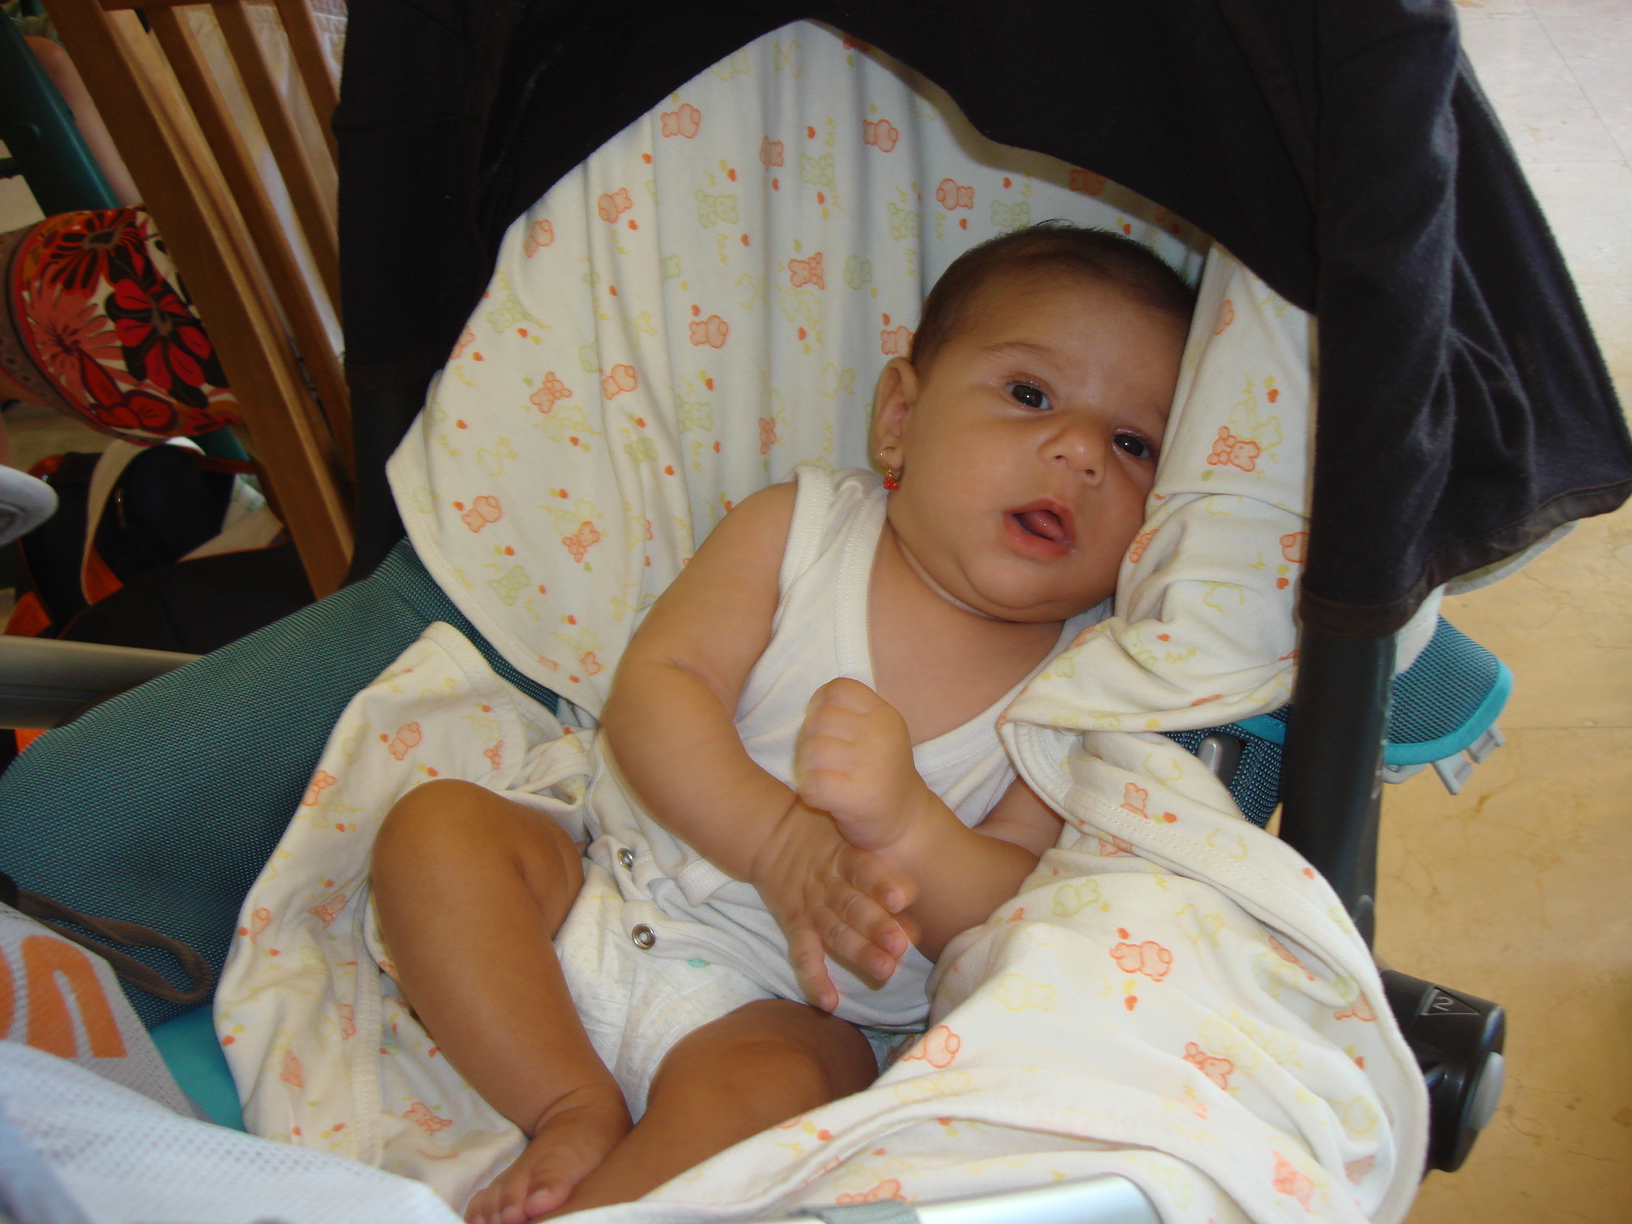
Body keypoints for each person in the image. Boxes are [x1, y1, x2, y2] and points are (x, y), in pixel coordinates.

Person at [369, 222, 1195, 1224]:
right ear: (899, 417)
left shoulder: (1084, 686)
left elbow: (1015, 909)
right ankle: (567, 1104)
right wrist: (776, 843)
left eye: (1134, 444)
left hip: (787, 1007)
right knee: (439, 831)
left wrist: (910, 825)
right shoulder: (799, 529)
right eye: (1030, 394)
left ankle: (608, 1203)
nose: (1080, 453)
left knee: (788, 1089)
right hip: (598, 888)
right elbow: (657, 691)